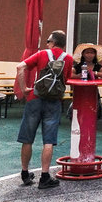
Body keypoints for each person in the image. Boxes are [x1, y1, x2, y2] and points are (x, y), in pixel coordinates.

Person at [15, 30, 73, 187]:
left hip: (35, 99)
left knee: (28, 138)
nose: (46, 44)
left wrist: (24, 88)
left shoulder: (41, 54)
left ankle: (25, 173)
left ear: (52, 42)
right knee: (48, 140)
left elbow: (20, 67)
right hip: (53, 102)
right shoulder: (68, 59)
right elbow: (66, 79)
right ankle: (45, 177)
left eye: (48, 41)